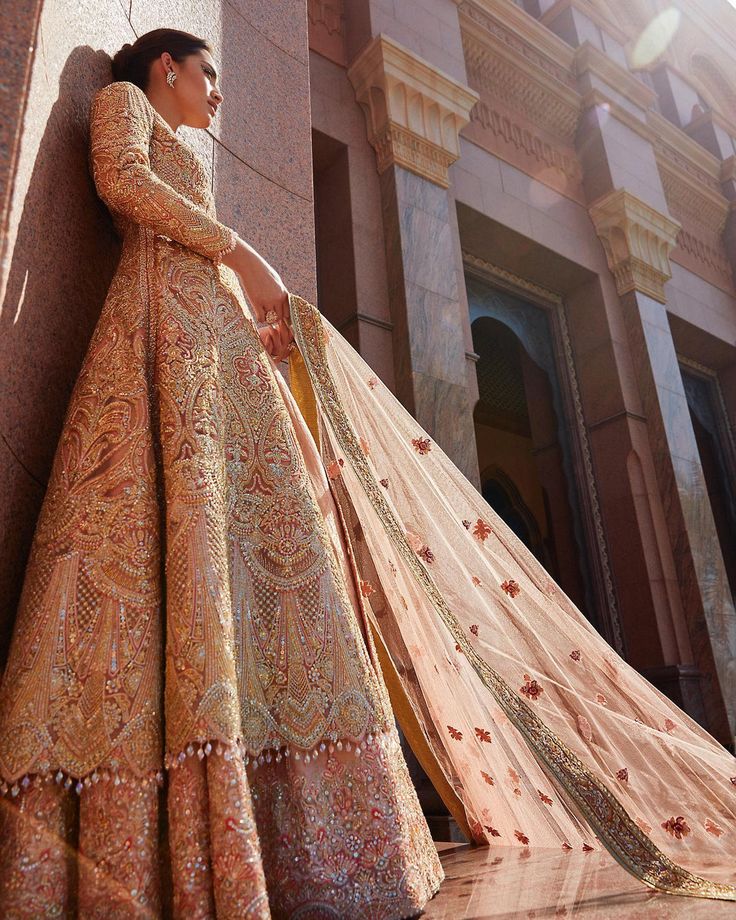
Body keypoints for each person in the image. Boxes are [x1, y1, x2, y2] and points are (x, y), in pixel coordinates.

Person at [0, 25, 734, 919]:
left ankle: (294, 833)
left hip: (207, 339)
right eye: (209, 76)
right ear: (168, 66)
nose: (219, 96)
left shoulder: (182, 142)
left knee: (271, 549)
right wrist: (242, 254)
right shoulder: (121, 103)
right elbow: (119, 182)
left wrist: (253, 303)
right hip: (158, 344)